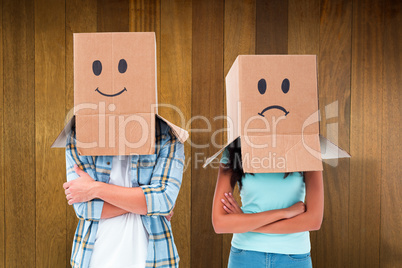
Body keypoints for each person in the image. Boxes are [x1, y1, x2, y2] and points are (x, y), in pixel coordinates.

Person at [63, 117, 184, 268]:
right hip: (96, 258)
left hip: (154, 259)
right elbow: (84, 208)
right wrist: (148, 204)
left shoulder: (167, 135)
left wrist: (95, 189)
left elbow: (164, 199)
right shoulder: (79, 135)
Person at [212, 138, 324, 268]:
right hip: (245, 256)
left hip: (293, 257)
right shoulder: (235, 149)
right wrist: (284, 213)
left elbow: (314, 221)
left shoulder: (307, 148)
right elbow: (220, 223)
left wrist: (245, 222)